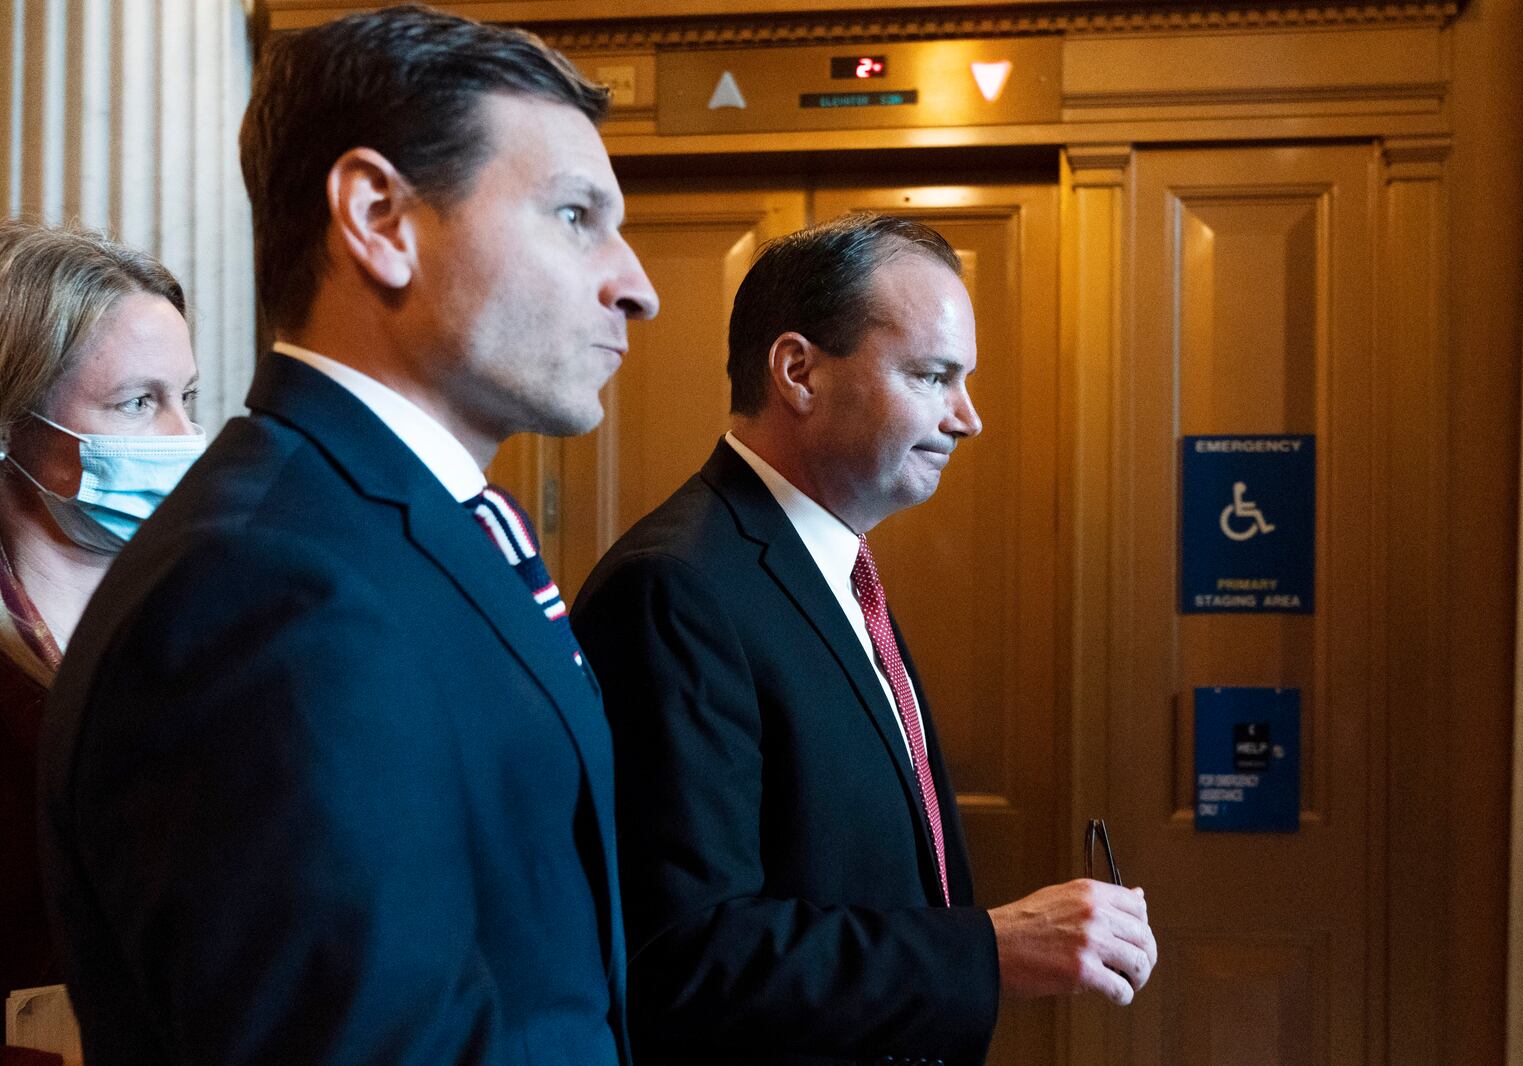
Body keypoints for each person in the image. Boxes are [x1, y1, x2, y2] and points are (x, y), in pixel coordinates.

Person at [38, 6, 657, 1065]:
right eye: (572, 216)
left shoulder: (397, 531)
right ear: (379, 217)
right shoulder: (268, 585)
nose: (633, 284)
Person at [572, 213, 1156, 1065]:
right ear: (798, 371)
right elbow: (688, 961)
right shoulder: (675, 588)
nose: (968, 418)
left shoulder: (834, 563)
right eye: (932, 375)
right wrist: (990, 950)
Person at [0, 219, 200, 1025]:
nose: (185, 438)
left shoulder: (216, 607)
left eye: (187, 398)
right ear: (12, 425)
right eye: (136, 402)